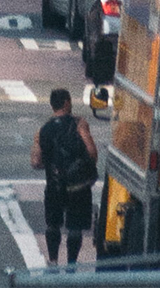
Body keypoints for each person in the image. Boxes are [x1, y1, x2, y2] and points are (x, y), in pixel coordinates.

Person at [31, 88, 98, 265]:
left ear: (52, 105)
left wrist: (53, 162)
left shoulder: (42, 130)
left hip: (55, 185)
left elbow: (36, 162)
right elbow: (92, 153)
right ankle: (71, 265)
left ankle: (53, 261)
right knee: (75, 228)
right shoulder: (79, 124)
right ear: (67, 102)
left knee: (53, 225)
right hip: (78, 187)